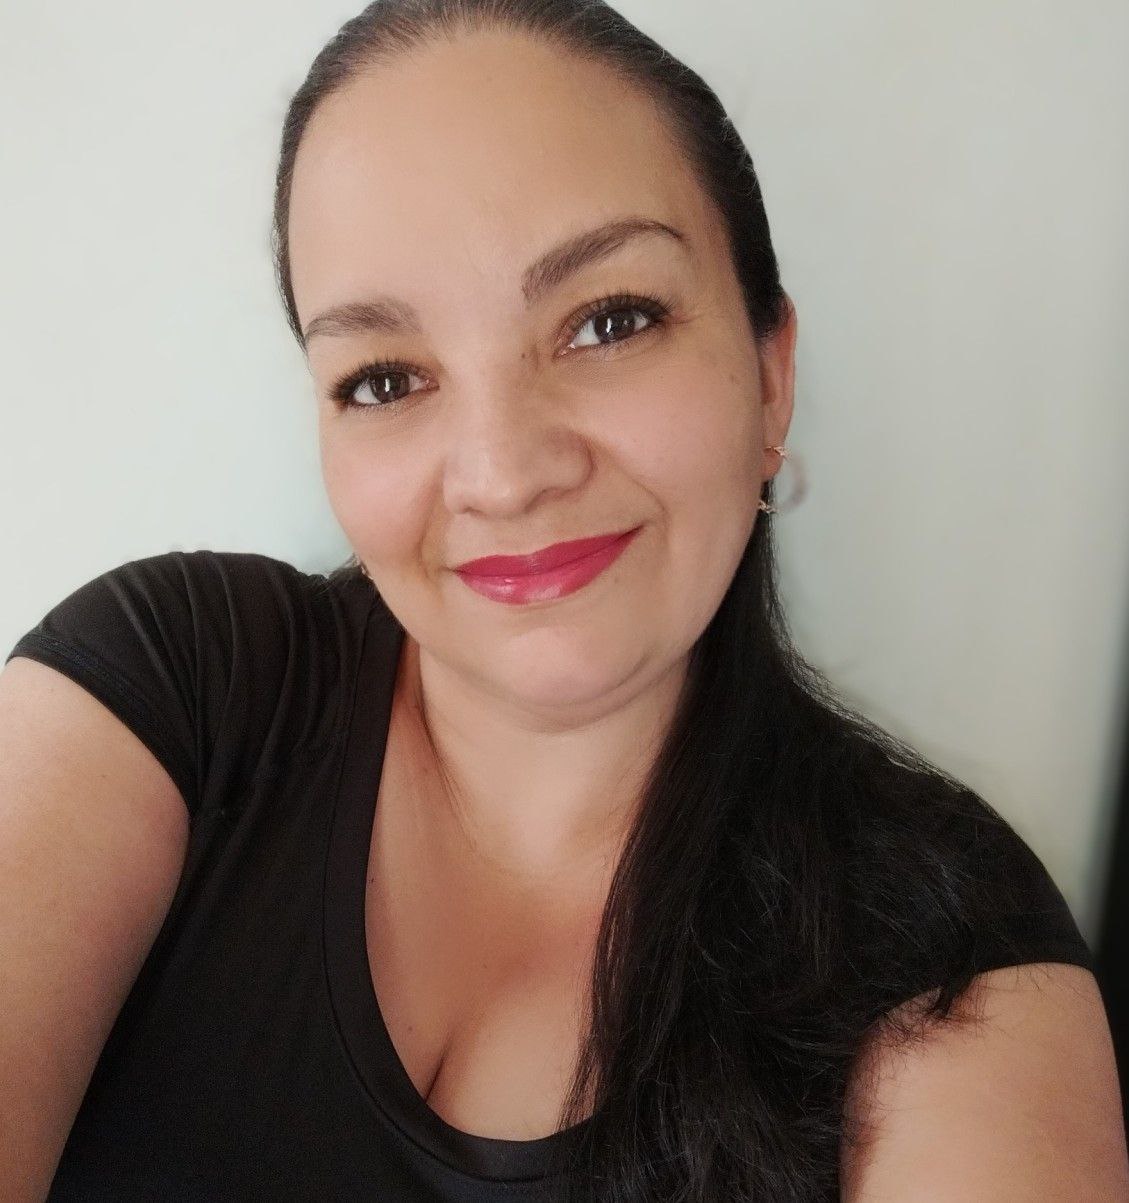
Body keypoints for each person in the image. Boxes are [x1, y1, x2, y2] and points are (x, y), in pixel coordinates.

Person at [2, 1, 1126, 1199]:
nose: (503, 473)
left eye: (608, 321)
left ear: (769, 376)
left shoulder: (955, 967)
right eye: (383, 379)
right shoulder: (164, 691)